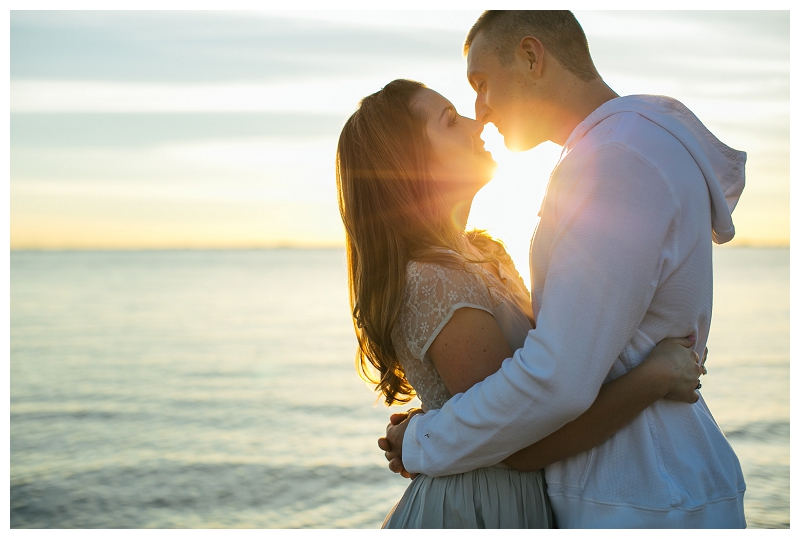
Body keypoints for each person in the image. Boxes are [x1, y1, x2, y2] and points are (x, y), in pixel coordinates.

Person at [380, 11, 746, 528]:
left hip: (642, 494)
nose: (480, 111)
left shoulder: (615, 161)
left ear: (531, 57)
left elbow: (556, 380)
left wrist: (420, 440)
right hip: (645, 485)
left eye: (482, 84)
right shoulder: (621, 150)